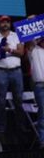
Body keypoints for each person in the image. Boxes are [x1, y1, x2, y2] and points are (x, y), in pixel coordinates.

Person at [0, 15, 26, 139]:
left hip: (16, 71)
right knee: (1, 101)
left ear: (10, 24)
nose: (5, 24)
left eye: (7, 22)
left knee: (19, 100)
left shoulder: (17, 35)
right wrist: (1, 50)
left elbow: (21, 52)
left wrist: (9, 49)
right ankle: (1, 128)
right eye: (3, 22)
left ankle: (21, 126)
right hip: (1, 71)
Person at [24, 17, 44, 148]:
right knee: (43, 113)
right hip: (39, 85)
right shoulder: (31, 48)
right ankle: (43, 140)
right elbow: (30, 39)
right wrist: (32, 21)